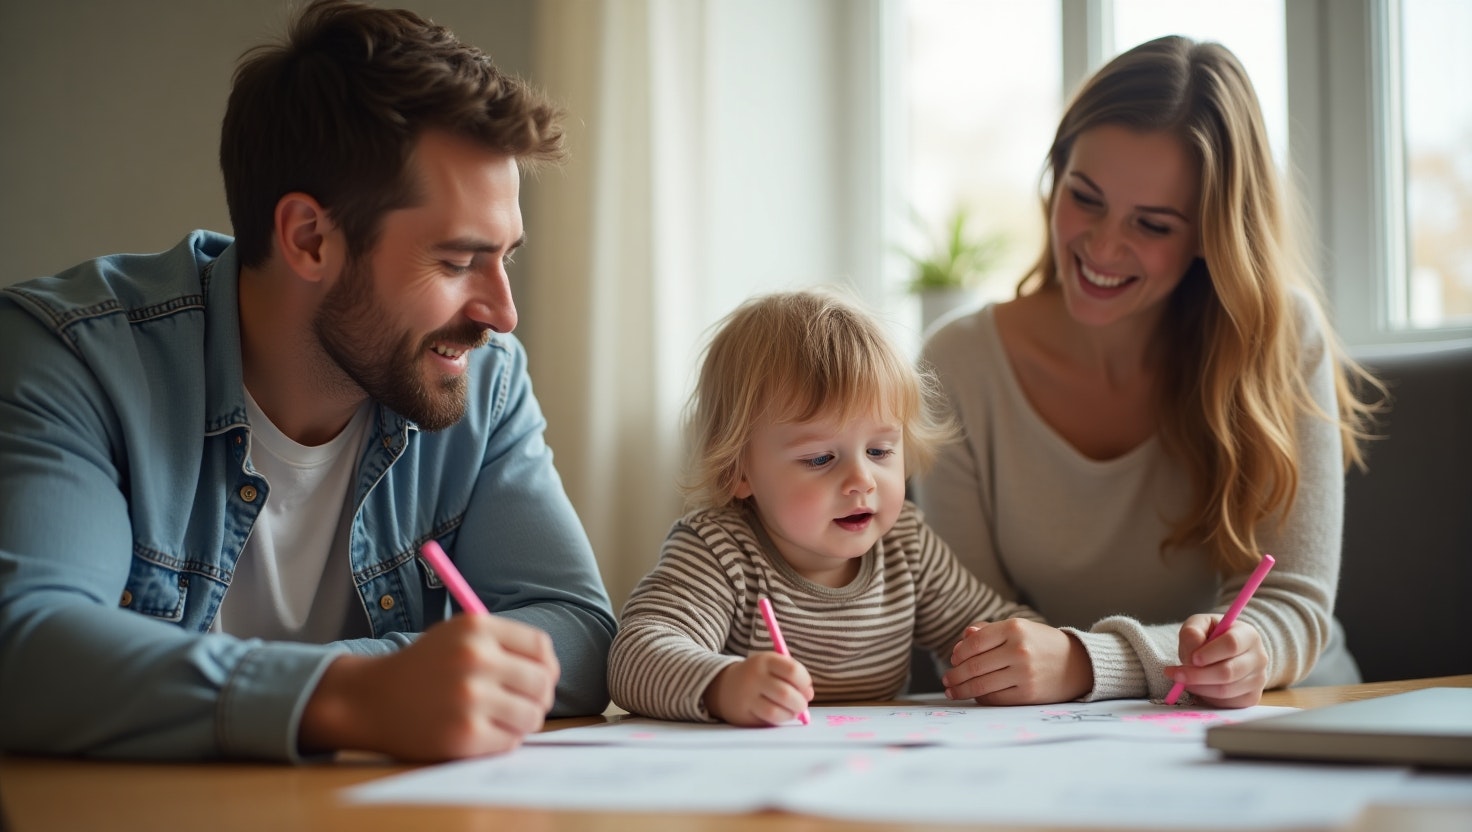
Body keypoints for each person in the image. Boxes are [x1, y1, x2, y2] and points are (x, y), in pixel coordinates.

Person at [0, 0, 617, 762]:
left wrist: (376, 680)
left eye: (505, 257)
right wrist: (353, 696)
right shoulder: (73, 359)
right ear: (309, 238)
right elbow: (27, 648)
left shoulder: (480, 382)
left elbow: (575, 632)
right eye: (458, 261)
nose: (503, 314)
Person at [913, 35, 1382, 709]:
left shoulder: (1278, 337)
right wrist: (1086, 669)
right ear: (1055, 176)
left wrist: (1086, 663)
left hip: (1286, 713)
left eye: (1154, 225)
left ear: (1211, 233)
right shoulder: (956, 365)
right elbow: (970, 632)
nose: (1104, 246)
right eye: (1085, 197)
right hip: (1053, 734)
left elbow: (1291, 609)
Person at [608, 289, 1045, 725]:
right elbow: (634, 656)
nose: (862, 480)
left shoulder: (906, 546)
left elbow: (1005, 631)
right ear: (737, 472)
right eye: (820, 459)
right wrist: (722, 686)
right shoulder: (719, 550)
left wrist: (1036, 657)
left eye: (879, 451)